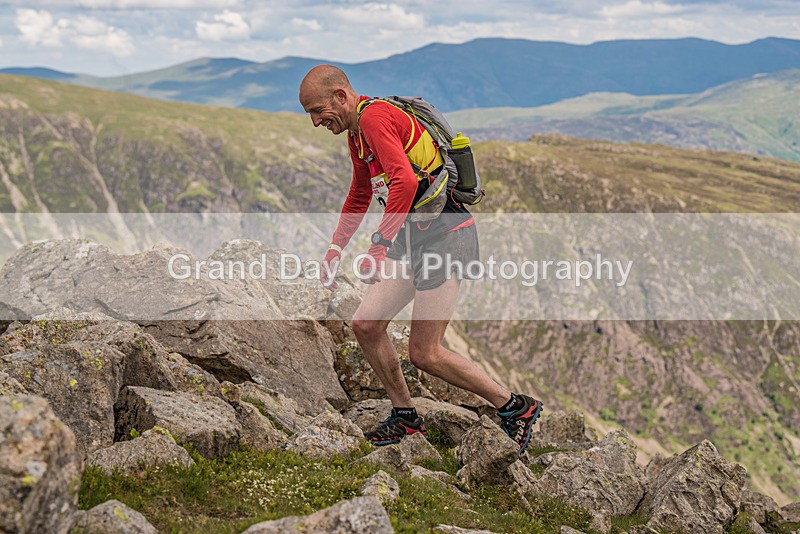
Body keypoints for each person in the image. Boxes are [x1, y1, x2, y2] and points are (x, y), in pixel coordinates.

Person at [298, 64, 542, 453]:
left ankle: (515, 407)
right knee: (365, 325)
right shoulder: (358, 137)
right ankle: (406, 419)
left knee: (425, 353)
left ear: (341, 97)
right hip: (412, 237)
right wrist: (334, 248)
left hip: (445, 236)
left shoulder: (375, 118)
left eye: (317, 110)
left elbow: (407, 182)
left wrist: (377, 248)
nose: (314, 122)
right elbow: (360, 195)